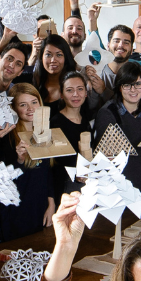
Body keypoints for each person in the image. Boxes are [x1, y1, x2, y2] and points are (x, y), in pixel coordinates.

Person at [0, 83, 56, 241]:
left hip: (39, 206)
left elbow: (49, 173)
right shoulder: (6, 136)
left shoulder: (47, 132)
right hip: (16, 209)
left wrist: (51, 204)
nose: (30, 108)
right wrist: (19, 160)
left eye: (34, 102)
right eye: (23, 104)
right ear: (13, 108)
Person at [93, 65, 141, 205]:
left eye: (138, 84)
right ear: (120, 87)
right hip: (115, 194)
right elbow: (106, 157)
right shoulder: (108, 113)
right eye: (127, 85)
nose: (133, 90)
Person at [50, 68, 93, 201]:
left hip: (84, 187)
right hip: (62, 188)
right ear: (61, 95)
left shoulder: (87, 121)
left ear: (86, 93)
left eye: (80, 89)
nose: (76, 94)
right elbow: (53, 164)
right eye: (69, 90)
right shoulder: (55, 123)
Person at [32, 32, 74, 104]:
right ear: (41, 57)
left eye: (59, 55)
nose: (53, 60)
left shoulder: (74, 85)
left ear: (66, 58)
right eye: (48, 55)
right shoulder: (33, 82)